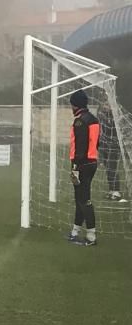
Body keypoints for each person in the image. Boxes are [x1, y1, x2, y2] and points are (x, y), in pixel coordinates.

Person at [68, 89, 100, 246]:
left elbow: (80, 146)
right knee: (79, 198)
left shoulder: (80, 121)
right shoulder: (94, 119)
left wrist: (75, 166)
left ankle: (91, 235)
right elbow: (96, 142)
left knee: (83, 199)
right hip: (92, 161)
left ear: (76, 105)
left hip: (82, 163)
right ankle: (75, 230)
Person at [97, 101, 127, 202]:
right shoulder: (101, 115)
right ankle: (111, 190)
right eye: (105, 104)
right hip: (103, 144)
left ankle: (117, 191)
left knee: (112, 168)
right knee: (107, 168)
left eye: (108, 105)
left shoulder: (116, 116)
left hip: (114, 145)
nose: (106, 107)